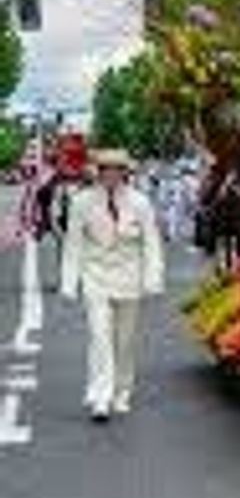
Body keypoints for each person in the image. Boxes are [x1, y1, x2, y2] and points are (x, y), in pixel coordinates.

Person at [60, 148, 165, 422]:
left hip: (129, 277)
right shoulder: (81, 201)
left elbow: (151, 242)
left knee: (124, 340)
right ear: (98, 172)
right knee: (99, 336)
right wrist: (69, 282)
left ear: (125, 172)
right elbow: (73, 244)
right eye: (105, 169)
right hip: (95, 276)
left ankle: (122, 390)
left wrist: (153, 278)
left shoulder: (140, 202)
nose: (111, 174)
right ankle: (100, 396)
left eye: (117, 169)